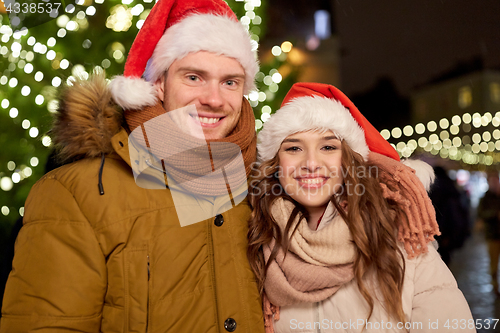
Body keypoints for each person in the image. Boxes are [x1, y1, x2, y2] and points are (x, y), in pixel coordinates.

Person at [1, 0, 265, 332]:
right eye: (194, 77)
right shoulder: (78, 194)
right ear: (158, 83)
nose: (214, 99)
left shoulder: (262, 191)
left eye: (230, 82)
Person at [247, 82, 474, 333]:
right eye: (293, 148)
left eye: (328, 147)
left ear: (348, 160)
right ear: (276, 163)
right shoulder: (258, 240)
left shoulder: (396, 238)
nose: (311, 163)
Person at [477, 170, 500, 294]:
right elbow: (481, 213)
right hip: (493, 234)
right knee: (494, 263)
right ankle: (495, 285)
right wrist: (495, 214)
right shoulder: (485, 198)